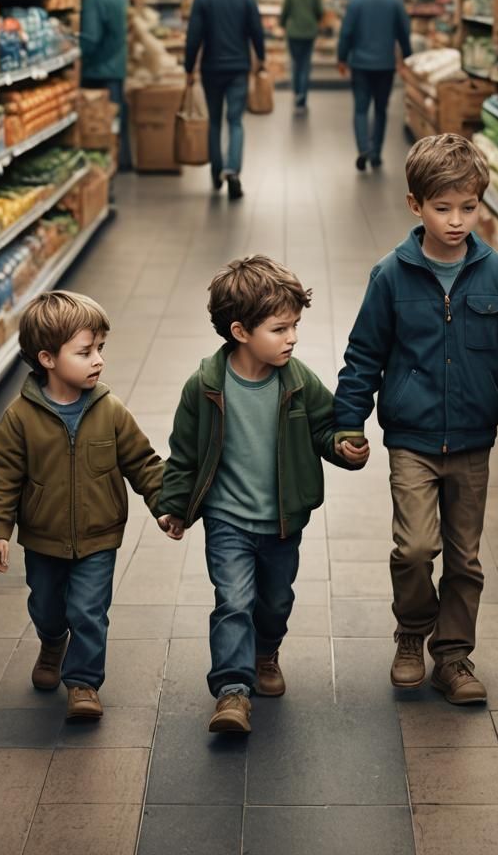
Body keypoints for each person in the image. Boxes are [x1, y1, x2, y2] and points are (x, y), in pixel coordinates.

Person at [333, 135, 498, 705]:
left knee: (465, 557)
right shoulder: (391, 275)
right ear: (415, 205)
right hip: (411, 438)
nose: (457, 220)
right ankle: (412, 634)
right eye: (443, 208)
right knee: (415, 548)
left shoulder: (493, 275)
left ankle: (454, 656)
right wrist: (347, 423)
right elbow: (363, 355)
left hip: (471, 440)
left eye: (469, 207)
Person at [156, 256, 368, 734]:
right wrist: (174, 506)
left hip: (282, 520)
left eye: (294, 326)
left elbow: (324, 428)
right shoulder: (206, 387)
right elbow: (184, 451)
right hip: (227, 518)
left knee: (274, 600)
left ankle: (266, 651)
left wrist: (342, 447)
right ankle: (233, 691)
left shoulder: (298, 382)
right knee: (233, 600)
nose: (292, 337)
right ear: (240, 331)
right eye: (279, 328)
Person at [0, 291, 165, 721]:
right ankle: (51, 641)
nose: (98, 360)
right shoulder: (20, 418)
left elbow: (142, 461)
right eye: (85, 352)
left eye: (100, 349)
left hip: (99, 534)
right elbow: (2, 476)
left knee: (89, 609)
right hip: (43, 537)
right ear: (47, 358)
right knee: (46, 604)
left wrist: (163, 504)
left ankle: (83, 683)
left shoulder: (110, 410)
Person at [184, 0, 266, 201]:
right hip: (238, 68)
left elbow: (193, 36)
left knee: (215, 121)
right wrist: (260, 58)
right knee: (236, 121)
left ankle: (216, 172)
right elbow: (257, 32)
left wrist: (189, 67)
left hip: (211, 68)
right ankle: (232, 171)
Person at [337, 0, 412, 172]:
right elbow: (404, 32)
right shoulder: (394, 0)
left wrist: (342, 58)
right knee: (381, 109)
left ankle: (363, 148)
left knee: (360, 108)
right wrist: (407, 57)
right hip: (385, 65)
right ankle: (376, 153)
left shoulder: (355, 1)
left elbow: (346, 33)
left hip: (360, 64)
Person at [74, 0, 131, 171]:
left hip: (97, 71)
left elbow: (91, 39)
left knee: (97, 125)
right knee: (115, 120)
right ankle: (120, 162)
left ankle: (101, 170)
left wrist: (74, 49)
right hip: (116, 67)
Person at [280, 0, 323, 111]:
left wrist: (282, 24)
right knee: (305, 64)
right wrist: (315, 21)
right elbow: (319, 11)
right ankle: (302, 96)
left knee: (295, 63)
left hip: (293, 32)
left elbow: (285, 11)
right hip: (309, 31)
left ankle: (296, 91)